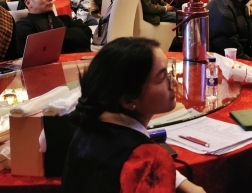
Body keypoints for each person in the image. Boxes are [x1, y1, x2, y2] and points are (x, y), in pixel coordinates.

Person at [62, 38, 205, 193]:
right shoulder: (147, 158)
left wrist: (182, 182)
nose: (174, 83)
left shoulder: (85, 129)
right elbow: (143, 166)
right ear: (128, 100)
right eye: (162, 78)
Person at [15, 0, 92, 53]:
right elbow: (38, 50)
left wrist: (53, 38)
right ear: (28, 3)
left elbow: (86, 32)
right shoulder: (24, 26)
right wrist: (72, 36)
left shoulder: (64, 19)